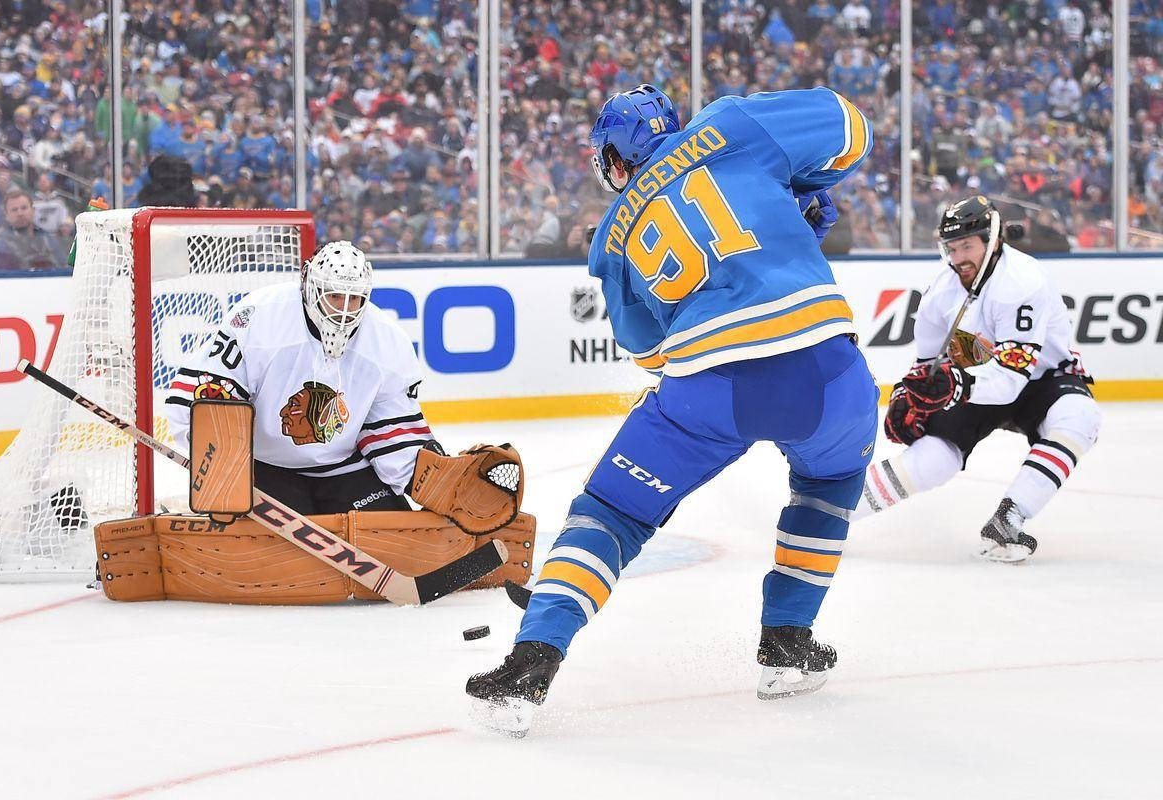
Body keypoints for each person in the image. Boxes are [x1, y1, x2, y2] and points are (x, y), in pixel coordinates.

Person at [466, 84, 879, 733]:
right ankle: (787, 644)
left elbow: (652, 353)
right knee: (830, 482)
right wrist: (798, 185)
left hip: (708, 385)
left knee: (611, 512)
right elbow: (852, 127)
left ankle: (532, 658)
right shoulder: (730, 124)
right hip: (827, 370)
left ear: (614, 157)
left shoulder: (611, 237)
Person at [854, 196, 1100, 562]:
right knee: (935, 459)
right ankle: (834, 512)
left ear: (995, 240)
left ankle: (1009, 519)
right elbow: (926, 362)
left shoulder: (1022, 283)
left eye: (967, 245)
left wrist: (957, 385)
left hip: (1039, 380)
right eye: (952, 248)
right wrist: (911, 391)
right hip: (973, 380)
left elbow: (1013, 379)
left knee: (1079, 417)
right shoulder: (941, 293)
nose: (958, 258)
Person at [162, 241, 436, 515]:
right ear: (309, 285)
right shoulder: (261, 317)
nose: (344, 310)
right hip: (264, 466)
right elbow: (204, 397)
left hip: (344, 467)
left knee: (398, 539)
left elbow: (391, 430)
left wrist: (436, 483)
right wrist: (225, 468)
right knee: (275, 554)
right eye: (334, 295)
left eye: (354, 298)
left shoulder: (387, 341)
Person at [0, 189, 67, 271]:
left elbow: (64, 270)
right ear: (6, 215)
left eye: (24, 208)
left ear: (33, 211)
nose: (20, 213)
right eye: (14, 210)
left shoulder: (50, 242)